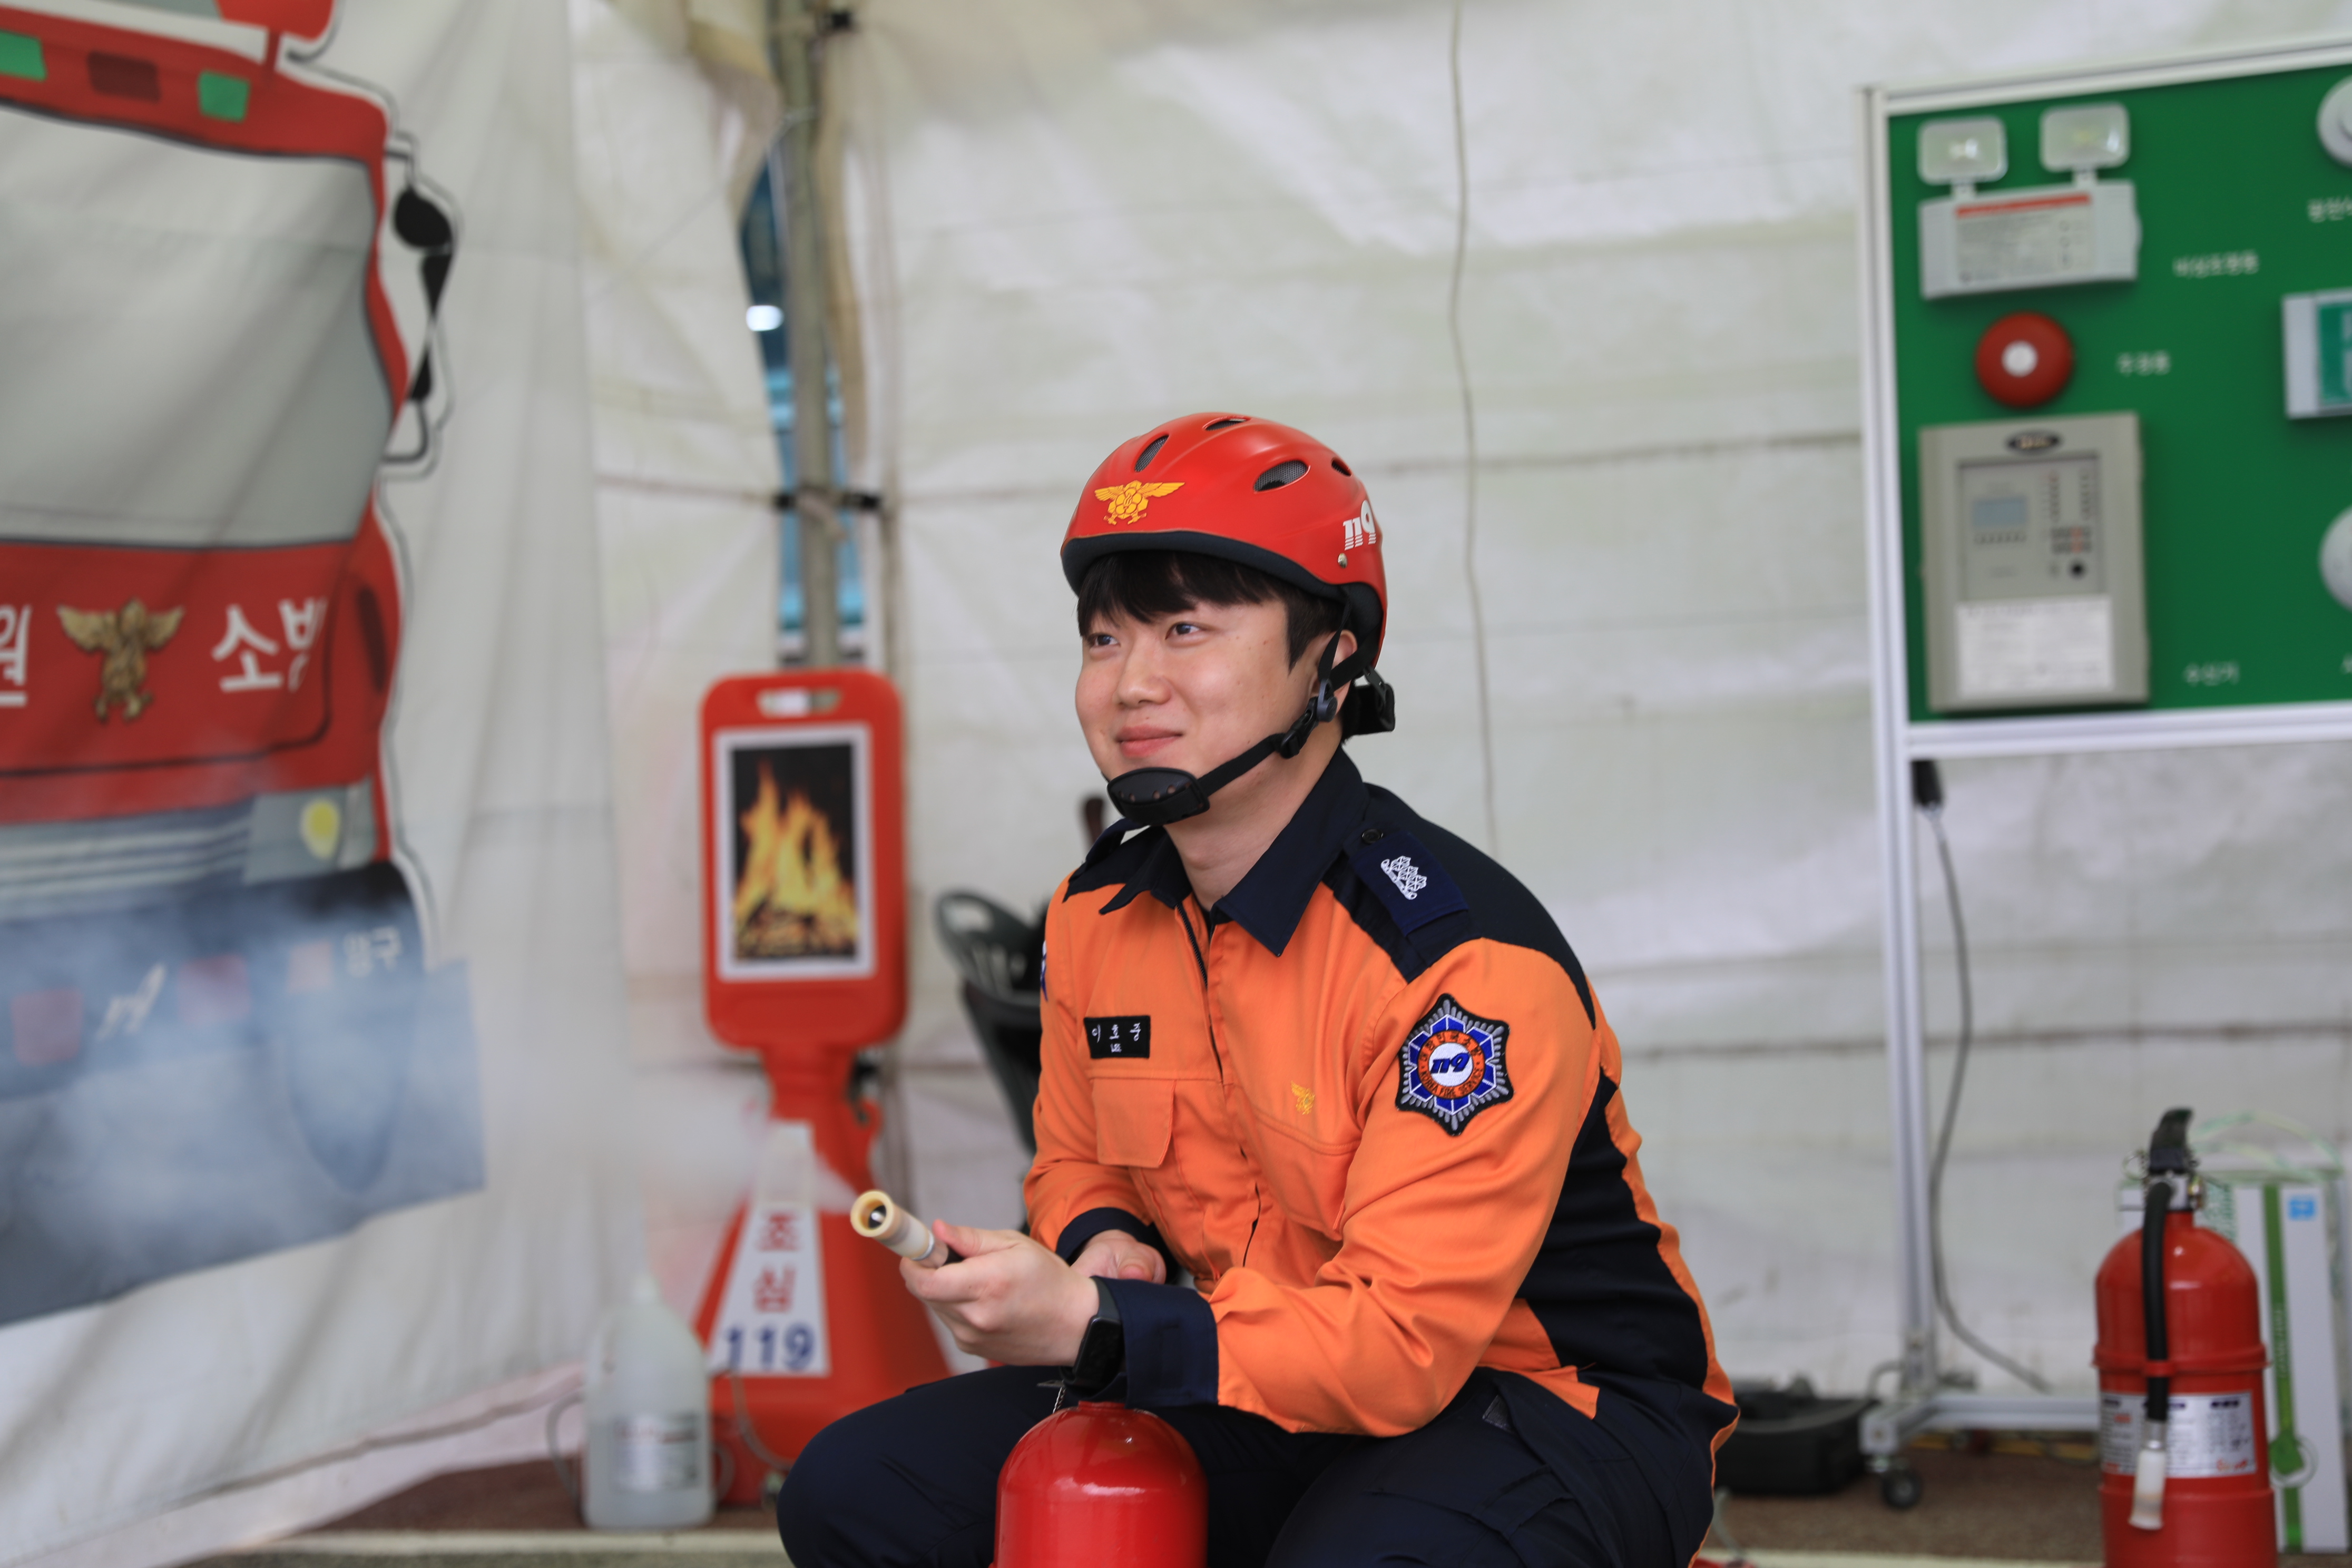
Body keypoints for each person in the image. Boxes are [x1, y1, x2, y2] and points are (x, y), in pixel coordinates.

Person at [778, 413, 1736, 1567]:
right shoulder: (1097, 916)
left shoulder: (1458, 967)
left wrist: (1095, 1323)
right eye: (1103, 639)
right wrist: (1103, 1239)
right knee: (858, 1491)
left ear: (1332, 661)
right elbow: (1078, 1158)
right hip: (1270, 1374)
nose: (1132, 685)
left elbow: (1399, 1347)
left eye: (1187, 629)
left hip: (1549, 1403)